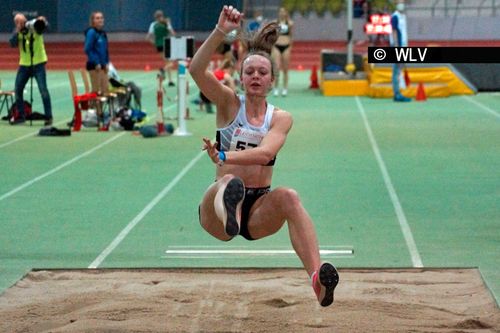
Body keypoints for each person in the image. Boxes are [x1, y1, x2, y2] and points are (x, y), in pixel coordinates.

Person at [189, 5, 339, 307]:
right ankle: (229, 209)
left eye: (262, 72)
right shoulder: (228, 103)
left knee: (290, 197)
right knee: (229, 181)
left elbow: (266, 152)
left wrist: (224, 155)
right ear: (241, 78)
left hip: (258, 208)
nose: (255, 76)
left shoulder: (280, 118)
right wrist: (221, 31)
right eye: (249, 72)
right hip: (216, 212)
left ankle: (317, 281)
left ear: (272, 81)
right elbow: (196, 70)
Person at [9, 13, 52, 125]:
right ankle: (21, 115)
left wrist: (43, 21)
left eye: (22, 21)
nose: (21, 23)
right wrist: (18, 31)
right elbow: (12, 44)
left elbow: (46, 28)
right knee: (18, 90)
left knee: (43, 90)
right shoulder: (17, 32)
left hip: (38, 63)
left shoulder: (35, 27)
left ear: (26, 20)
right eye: (18, 22)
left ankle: (48, 116)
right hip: (24, 64)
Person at [84, 11, 110, 124]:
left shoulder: (103, 33)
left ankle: (99, 113)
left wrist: (106, 63)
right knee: (96, 91)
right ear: (93, 21)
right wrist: (96, 62)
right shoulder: (91, 33)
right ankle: (93, 114)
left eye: (101, 18)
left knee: (105, 91)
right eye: (97, 18)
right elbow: (88, 49)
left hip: (103, 66)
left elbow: (105, 50)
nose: (100, 20)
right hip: (95, 67)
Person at [146, 10, 176, 87]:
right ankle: (163, 70)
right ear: (162, 16)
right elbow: (172, 33)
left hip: (159, 46)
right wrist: (169, 24)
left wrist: (155, 42)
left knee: (167, 62)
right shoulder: (166, 23)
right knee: (171, 63)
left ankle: (170, 80)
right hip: (166, 44)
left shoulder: (153, 24)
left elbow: (148, 38)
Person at [390, 0, 411, 102]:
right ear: (396, 4)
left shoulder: (403, 17)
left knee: (399, 70)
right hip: (397, 46)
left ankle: (398, 92)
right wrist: (396, 46)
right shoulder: (395, 16)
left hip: (403, 46)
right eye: (400, 2)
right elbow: (394, 32)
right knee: (396, 70)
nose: (402, 4)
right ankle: (397, 93)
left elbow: (404, 33)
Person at [272, 7, 293, 97]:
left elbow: (291, 36)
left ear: (286, 13)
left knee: (285, 69)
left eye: (283, 12)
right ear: (279, 13)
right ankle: (276, 87)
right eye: (280, 12)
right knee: (276, 68)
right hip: (276, 46)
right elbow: (272, 35)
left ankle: (285, 88)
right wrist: (272, 46)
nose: (282, 13)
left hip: (286, 46)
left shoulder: (290, 23)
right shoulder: (275, 23)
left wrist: (290, 46)